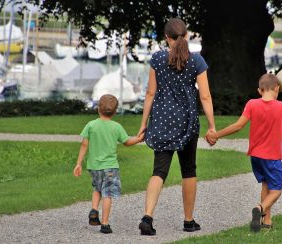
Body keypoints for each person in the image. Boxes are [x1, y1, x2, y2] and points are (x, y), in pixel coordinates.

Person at [137, 17, 215, 235]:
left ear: (166, 37)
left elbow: (150, 93)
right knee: (189, 170)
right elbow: (206, 96)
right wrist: (212, 126)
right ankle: (188, 221)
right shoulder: (196, 60)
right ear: (186, 36)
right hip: (187, 123)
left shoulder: (157, 58)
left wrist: (144, 124)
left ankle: (147, 216)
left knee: (159, 171)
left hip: (161, 121)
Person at [206, 73, 282, 232]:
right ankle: (260, 208)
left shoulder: (252, 104)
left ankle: (266, 221)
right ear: (277, 89)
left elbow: (237, 126)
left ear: (259, 90)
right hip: (272, 157)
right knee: (276, 190)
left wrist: (216, 135)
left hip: (255, 156)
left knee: (266, 185)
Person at [73, 94, 145, 234]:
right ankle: (105, 224)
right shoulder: (116, 127)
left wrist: (78, 163)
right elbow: (127, 142)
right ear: (115, 111)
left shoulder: (91, 125)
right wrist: (139, 139)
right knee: (107, 194)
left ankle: (94, 210)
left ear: (98, 109)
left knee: (97, 189)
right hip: (110, 167)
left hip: (93, 167)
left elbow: (84, 145)